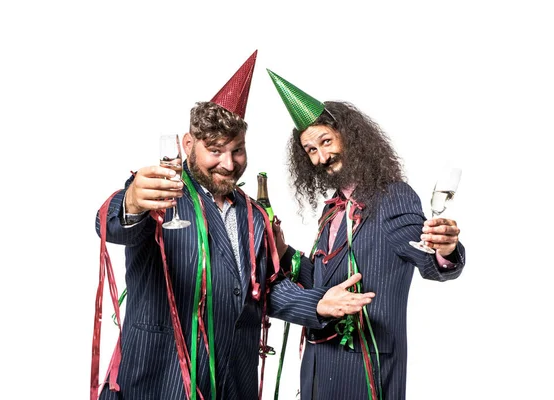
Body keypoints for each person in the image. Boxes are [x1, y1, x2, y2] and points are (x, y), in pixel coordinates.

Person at [90, 52, 376, 400]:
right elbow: (115, 227)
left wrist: (317, 305)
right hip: (156, 380)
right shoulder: (161, 191)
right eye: (215, 150)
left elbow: (265, 290)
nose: (229, 163)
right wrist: (132, 201)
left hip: (232, 383)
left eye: (237, 150)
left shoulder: (254, 216)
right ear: (188, 144)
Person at [267, 69, 466, 400]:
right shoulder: (332, 209)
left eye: (326, 141)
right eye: (311, 150)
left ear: (350, 136)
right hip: (318, 365)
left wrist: (445, 248)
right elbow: (323, 280)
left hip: (364, 368)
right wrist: (285, 251)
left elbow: (430, 262)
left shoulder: (392, 196)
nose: (322, 157)